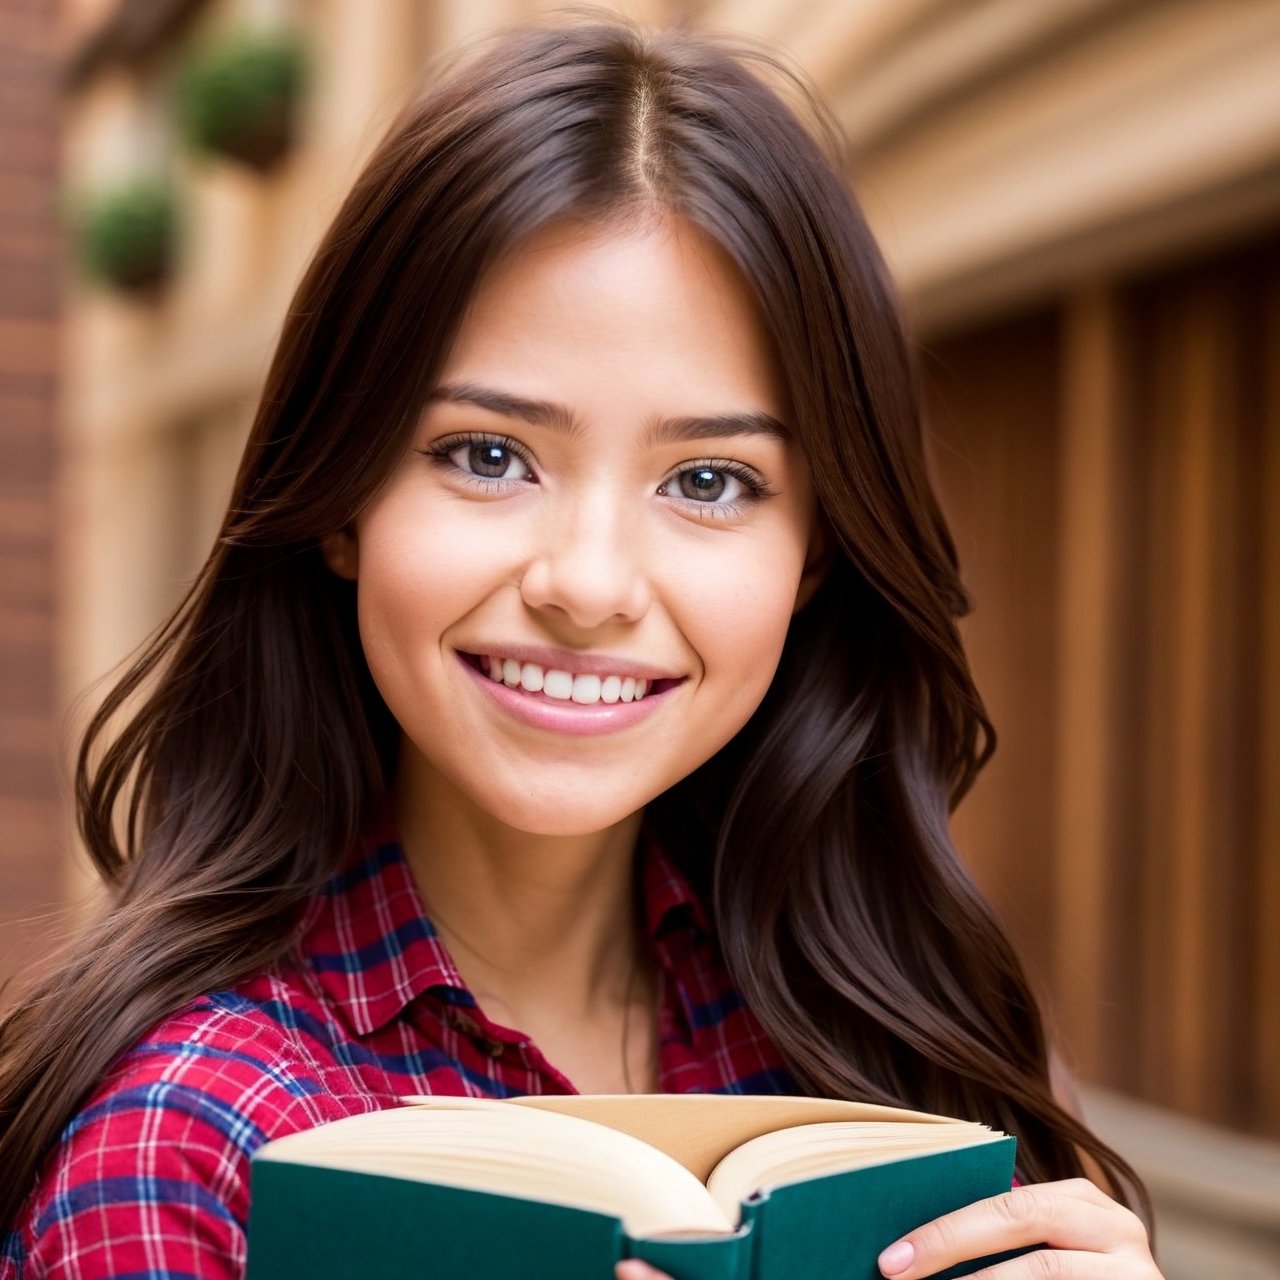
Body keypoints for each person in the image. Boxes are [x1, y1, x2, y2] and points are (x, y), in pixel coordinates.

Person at [0, 16, 1162, 1280]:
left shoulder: (893, 1041)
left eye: (709, 479)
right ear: (342, 501)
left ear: (816, 550)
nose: (589, 584)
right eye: (486, 455)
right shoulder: (188, 1149)